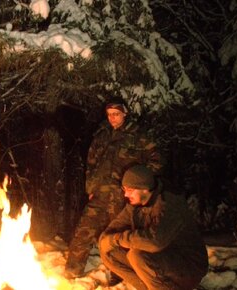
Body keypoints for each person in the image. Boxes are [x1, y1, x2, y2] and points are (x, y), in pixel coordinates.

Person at [65, 97, 163, 279]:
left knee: (119, 238)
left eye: (116, 114)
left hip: (125, 197)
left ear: (125, 113)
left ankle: (121, 277)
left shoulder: (139, 136)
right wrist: (91, 188)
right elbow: (91, 163)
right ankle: (72, 273)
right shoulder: (102, 135)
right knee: (83, 231)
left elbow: (156, 162)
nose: (112, 118)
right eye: (109, 114)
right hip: (100, 194)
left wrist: (139, 185)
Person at [99, 165, 208, 290]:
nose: (125, 194)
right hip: (160, 261)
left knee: (137, 255)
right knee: (107, 249)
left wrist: (117, 239)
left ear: (145, 189)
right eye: (124, 189)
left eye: (130, 190)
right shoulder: (135, 203)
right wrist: (107, 239)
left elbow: (155, 242)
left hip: (188, 267)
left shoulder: (170, 204)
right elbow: (113, 229)